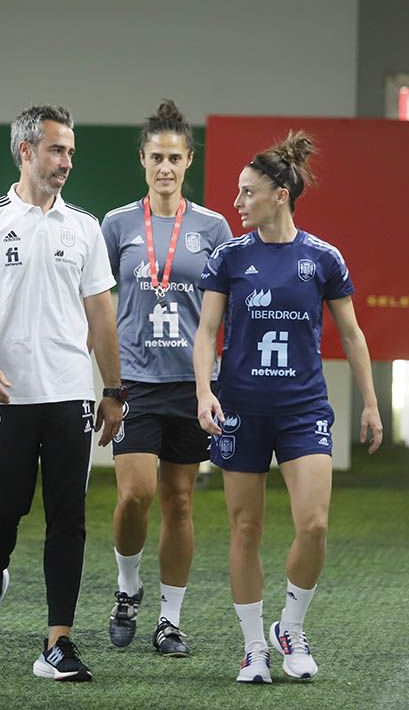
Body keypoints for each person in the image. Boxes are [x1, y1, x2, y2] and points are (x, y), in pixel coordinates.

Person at [193, 131, 383, 684]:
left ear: (280, 194)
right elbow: (206, 333)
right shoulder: (229, 256)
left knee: (315, 524)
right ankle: (254, 648)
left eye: (247, 192)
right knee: (245, 529)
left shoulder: (323, 258)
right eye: (237, 192)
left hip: (304, 410)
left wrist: (370, 403)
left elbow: (351, 334)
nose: (237, 202)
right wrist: (204, 391)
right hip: (240, 410)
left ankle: (290, 627)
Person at [0, 104, 123, 682]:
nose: (66, 161)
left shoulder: (84, 227)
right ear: (25, 151)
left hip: (70, 393)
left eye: (71, 151)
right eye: (56, 150)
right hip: (4, 399)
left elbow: (101, 314)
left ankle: (58, 643)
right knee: (1, 514)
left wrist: (114, 389)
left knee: (67, 518)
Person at [100, 100, 232, 656]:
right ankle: (128, 589)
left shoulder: (213, 227)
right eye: (156, 157)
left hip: (191, 384)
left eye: (175, 158)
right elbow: (100, 307)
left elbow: (224, 308)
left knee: (180, 501)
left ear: (189, 161)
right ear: (142, 160)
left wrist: (217, 385)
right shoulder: (117, 225)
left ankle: (169, 619)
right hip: (134, 382)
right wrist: (105, 383)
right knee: (136, 494)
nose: (165, 168)